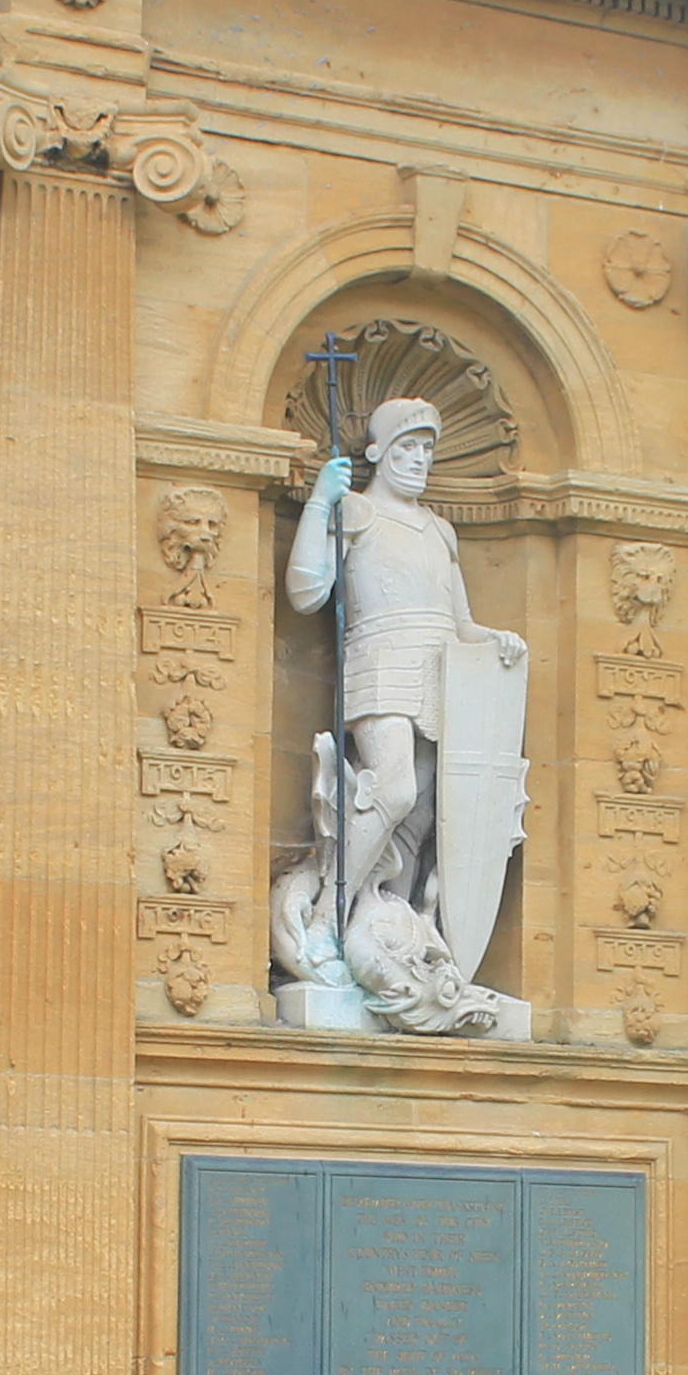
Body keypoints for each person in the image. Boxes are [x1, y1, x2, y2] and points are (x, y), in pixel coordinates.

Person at [273, 393, 531, 1032]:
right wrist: (320, 504)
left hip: (442, 672)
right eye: (408, 447)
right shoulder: (356, 511)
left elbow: (460, 619)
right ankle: (326, 918)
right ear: (378, 451)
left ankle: (387, 915)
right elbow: (307, 590)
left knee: (417, 817)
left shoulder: (439, 530)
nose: (420, 460)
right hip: (380, 661)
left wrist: (492, 641)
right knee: (390, 790)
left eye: (428, 449)